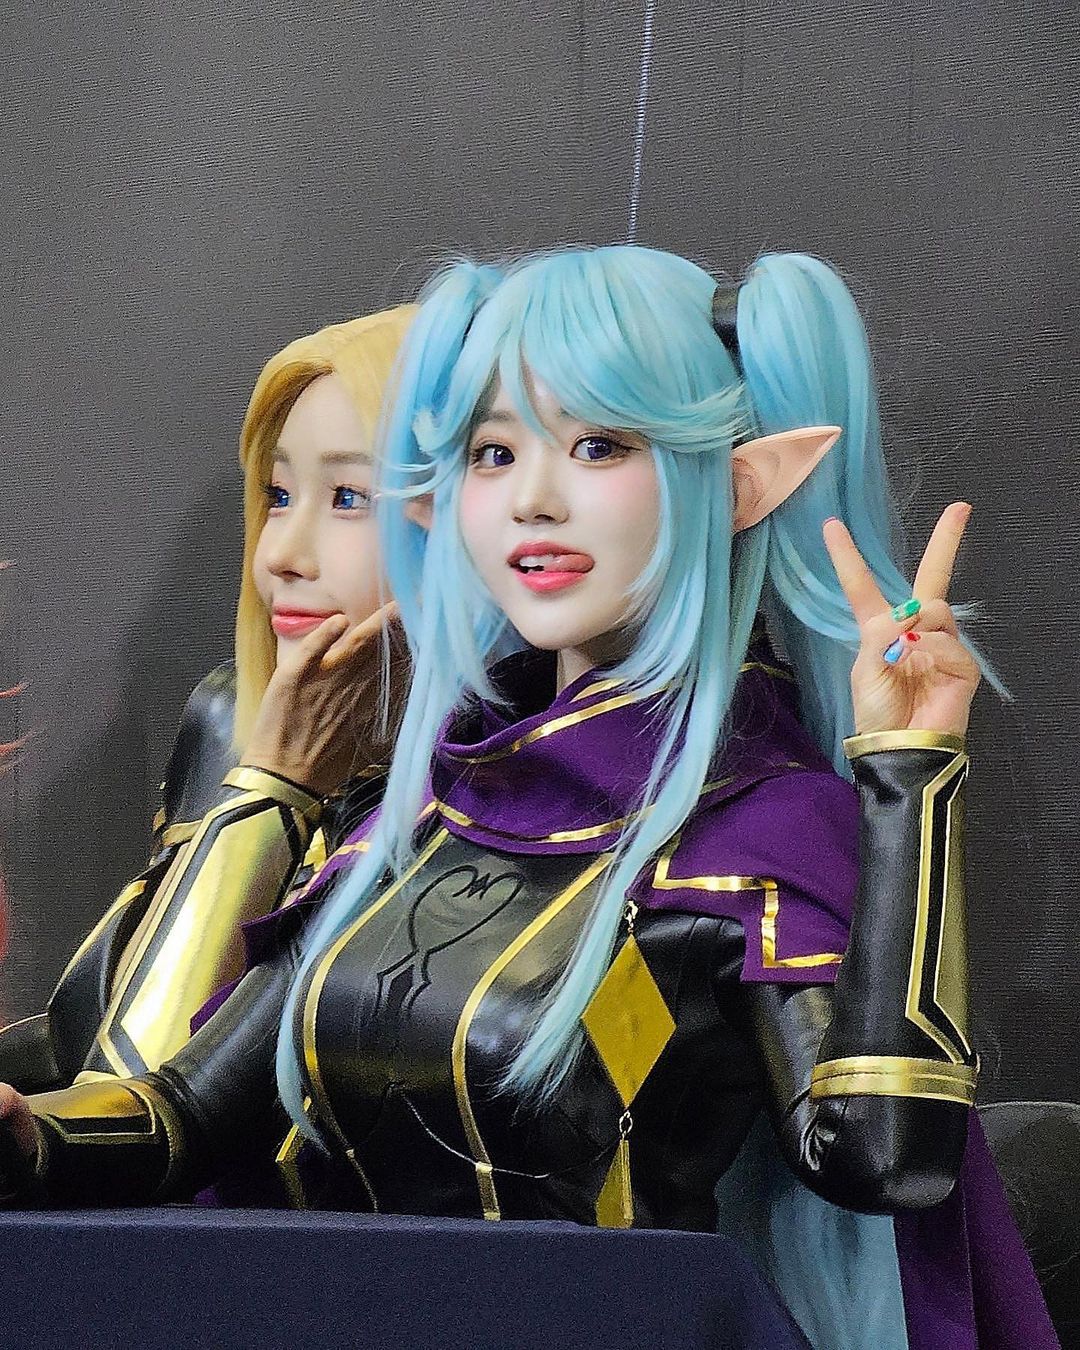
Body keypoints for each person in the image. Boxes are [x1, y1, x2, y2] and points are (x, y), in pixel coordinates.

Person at [0, 248, 1056, 1347]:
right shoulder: (417, 812)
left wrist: (911, 772)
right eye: (493, 453)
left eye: (599, 446)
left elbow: (879, 1157)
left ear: (741, 483)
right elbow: (187, 1113)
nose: (534, 500)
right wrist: (29, 1140)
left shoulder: (761, 835)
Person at [0, 305, 414, 1093]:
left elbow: (141, 1093)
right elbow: (98, 1035)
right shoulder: (231, 716)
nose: (281, 554)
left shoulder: (516, 786)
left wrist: (277, 784)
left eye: (350, 497)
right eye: (279, 495)